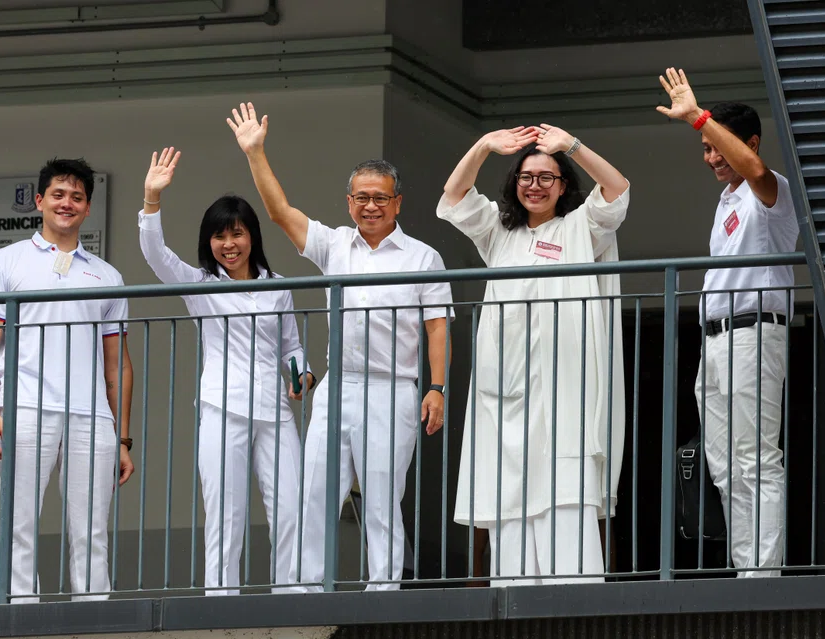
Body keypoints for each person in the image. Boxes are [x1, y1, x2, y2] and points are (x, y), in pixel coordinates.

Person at [227, 102, 454, 591]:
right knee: (317, 492)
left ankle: (385, 591)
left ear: (398, 202)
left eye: (380, 198)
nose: (370, 206)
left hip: (395, 388)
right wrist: (255, 153)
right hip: (338, 385)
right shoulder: (335, 245)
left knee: (380, 497)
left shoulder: (423, 256)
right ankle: (306, 591)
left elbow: (438, 328)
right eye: (361, 198)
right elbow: (279, 212)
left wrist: (435, 387)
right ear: (348, 202)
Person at [438, 124, 630, 585]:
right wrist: (483, 145)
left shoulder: (581, 227)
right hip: (504, 394)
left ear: (563, 187)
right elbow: (455, 193)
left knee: (566, 491)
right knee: (509, 495)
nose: (535, 186)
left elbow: (617, 189)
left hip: (562, 392)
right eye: (526, 177)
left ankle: (575, 598)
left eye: (547, 177)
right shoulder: (498, 234)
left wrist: (573, 147)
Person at [138, 147, 315, 594]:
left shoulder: (278, 287)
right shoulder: (201, 285)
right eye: (219, 236)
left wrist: (303, 376)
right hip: (223, 409)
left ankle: (292, 594)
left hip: (275, 413)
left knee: (291, 507)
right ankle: (221, 597)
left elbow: (291, 346)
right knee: (225, 511)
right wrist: (151, 200)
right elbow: (156, 255)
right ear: (209, 241)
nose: (228, 244)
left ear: (252, 236)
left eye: (236, 234)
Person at [0, 158, 134, 602]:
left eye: (77, 197)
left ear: (87, 209)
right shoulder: (6, 261)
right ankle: (20, 617)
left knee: (91, 529)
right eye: (58, 194)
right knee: (19, 524)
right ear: (40, 201)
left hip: (92, 414)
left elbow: (117, 364)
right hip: (24, 406)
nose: (67, 203)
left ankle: (93, 618)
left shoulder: (107, 275)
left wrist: (122, 438)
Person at [657, 67, 798, 577]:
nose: (710, 157)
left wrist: (698, 117)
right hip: (715, 341)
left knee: (755, 458)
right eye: (706, 147)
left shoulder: (771, 190)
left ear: (750, 143)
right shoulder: (725, 202)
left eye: (719, 146)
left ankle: (763, 575)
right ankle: (746, 573)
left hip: (756, 330)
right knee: (723, 467)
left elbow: (756, 171)